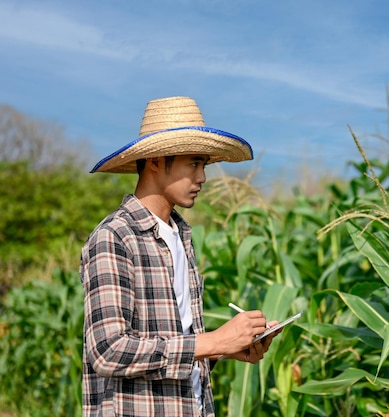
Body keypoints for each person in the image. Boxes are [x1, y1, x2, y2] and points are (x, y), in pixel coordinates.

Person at [80, 96, 280, 417]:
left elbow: (175, 345)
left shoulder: (181, 237)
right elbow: (107, 351)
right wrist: (212, 342)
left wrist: (228, 349)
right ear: (157, 160)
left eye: (203, 166)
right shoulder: (115, 236)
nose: (202, 177)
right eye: (194, 164)